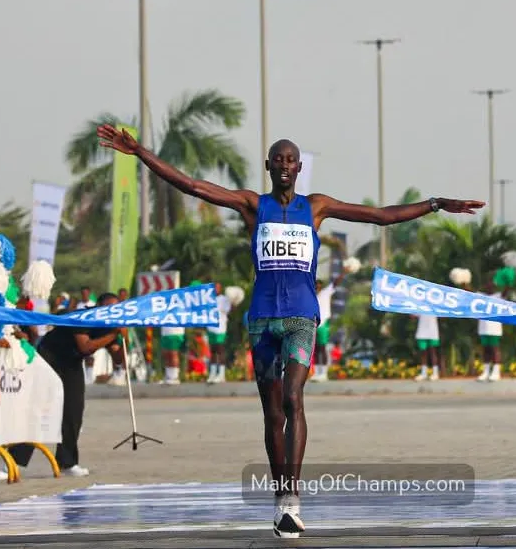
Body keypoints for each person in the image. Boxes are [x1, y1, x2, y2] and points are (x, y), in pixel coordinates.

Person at [97, 126, 483, 538]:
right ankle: (280, 496)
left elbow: (380, 216)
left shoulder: (315, 207)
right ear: (268, 166)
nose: (284, 165)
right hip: (262, 319)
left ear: (299, 168)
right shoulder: (252, 205)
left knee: (295, 399)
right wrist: (140, 152)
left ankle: (291, 502)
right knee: (272, 411)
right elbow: (191, 185)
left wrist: (437, 204)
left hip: (301, 315)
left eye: (290, 159)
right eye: (277, 159)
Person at [8, 292, 127, 478]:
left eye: (116, 310)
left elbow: (119, 359)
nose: (112, 313)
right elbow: (85, 347)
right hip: (50, 356)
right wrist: (113, 335)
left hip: (72, 363)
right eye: (108, 309)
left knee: (73, 410)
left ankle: (67, 462)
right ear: (99, 307)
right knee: (40, 409)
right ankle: (15, 460)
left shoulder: (111, 327)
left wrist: (122, 340)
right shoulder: (83, 318)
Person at [311, 270, 345, 382]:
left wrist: (344, 272)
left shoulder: (326, 292)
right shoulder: (310, 295)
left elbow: (336, 282)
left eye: (318, 285)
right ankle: (317, 372)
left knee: (322, 348)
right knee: (315, 349)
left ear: (321, 286)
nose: (317, 287)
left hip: (323, 323)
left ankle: (324, 373)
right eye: (315, 285)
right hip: (312, 324)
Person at [412, 313, 441, 381]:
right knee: (423, 353)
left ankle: (435, 373)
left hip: (433, 332)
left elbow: (441, 315)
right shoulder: (420, 304)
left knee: (433, 352)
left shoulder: (435, 304)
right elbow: (413, 316)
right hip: (422, 332)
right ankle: (423, 374)